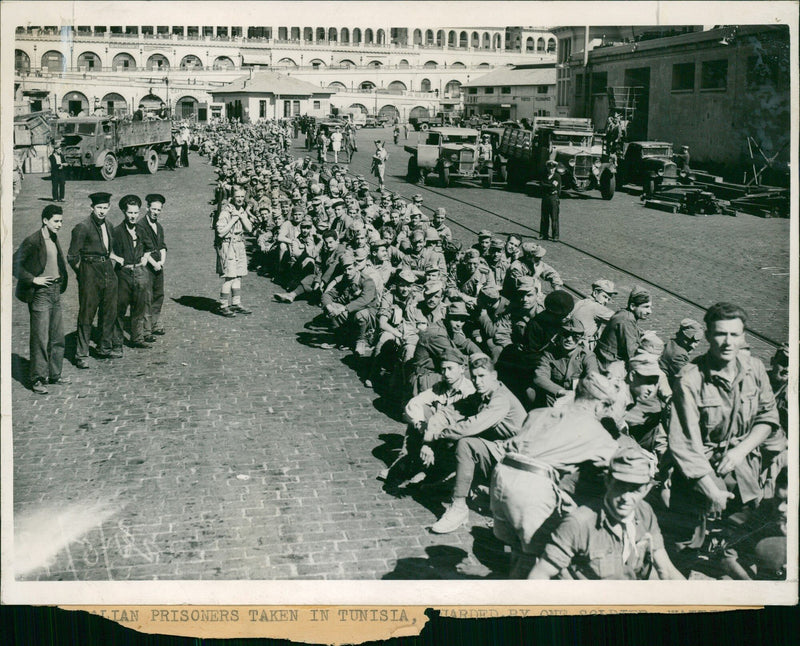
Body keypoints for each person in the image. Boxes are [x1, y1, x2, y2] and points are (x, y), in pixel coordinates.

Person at [668, 303, 782, 573]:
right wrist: (711, 490)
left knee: (740, 539)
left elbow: (768, 419)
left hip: (743, 470)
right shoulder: (690, 379)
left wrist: (740, 451)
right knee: (686, 545)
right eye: (720, 334)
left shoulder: (754, 369)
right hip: (697, 475)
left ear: (743, 336)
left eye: (734, 335)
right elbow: (684, 444)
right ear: (708, 336)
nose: (727, 342)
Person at [528, 444, 685, 580]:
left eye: (635, 489)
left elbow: (666, 570)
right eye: (620, 486)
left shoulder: (645, 513)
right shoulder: (579, 523)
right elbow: (539, 575)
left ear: (646, 489)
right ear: (608, 481)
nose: (626, 497)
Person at [426, 353, 527, 534]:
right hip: (500, 452)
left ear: (494, 376)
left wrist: (438, 436)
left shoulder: (500, 398)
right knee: (455, 439)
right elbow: (451, 411)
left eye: (482, 376)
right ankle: (460, 484)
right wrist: (431, 430)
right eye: (474, 377)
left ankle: (459, 507)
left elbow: (472, 425)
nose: (478, 381)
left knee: (465, 443)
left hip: (518, 461)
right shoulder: (482, 395)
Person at [13, 205, 71, 394]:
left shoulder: (53, 237)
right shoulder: (33, 240)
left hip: (54, 291)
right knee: (40, 337)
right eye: (56, 221)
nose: (60, 225)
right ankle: (37, 378)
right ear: (45, 221)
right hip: (40, 294)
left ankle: (55, 374)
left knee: (57, 336)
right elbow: (14, 263)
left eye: (61, 221)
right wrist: (33, 279)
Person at [67, 192, 121, 368]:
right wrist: (83, 274)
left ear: (109, 208)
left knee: (109, 310)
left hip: (107, 270)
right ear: (92, 208)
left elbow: (110, 250)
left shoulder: (109, 226)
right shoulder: (82, 227)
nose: (102, 212)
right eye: (99, 208)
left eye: (105, 208)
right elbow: (72, 256)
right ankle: (81, 353)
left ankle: (104, 347)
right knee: (87, 313)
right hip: (90, 272)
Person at [112, 195, 154, 352]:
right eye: (130, 213)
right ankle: (116, 342)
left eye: (136, 213)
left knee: (139, 307)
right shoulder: (116, 232)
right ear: (124, 212)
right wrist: (117, 258)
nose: (133, 216)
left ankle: (137, 338)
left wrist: (145, 258)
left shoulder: (142, 230)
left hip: (140, 273)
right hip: (123, 274)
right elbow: (107, 250)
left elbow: (149, 247)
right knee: (119, 309)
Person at [215, 184, 254, 317]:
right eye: (237, 196)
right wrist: (234, 219)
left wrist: (241, 216)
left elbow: (249, 228)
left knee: (238, 276)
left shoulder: (241, 209)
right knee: (229, 277)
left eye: (242, 197)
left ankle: (236, 303)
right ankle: (223, 305)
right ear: (232, 197)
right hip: (228, 245)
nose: (240, 199)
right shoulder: (226, 211)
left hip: (239, 244)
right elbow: (220, 232)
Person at [595, 286, 652, 369]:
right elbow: (632, 354)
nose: (650, 311)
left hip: (606, 359)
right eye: (646, 307)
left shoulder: (624, 313)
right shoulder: (627, 320)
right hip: (609, 365)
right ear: (632, 306)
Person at [138, 194, 168, 337]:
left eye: (159, 210)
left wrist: (161, 262)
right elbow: (142, 249)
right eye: (153, 209)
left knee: (158, 295)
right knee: (146, 297)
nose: (156, 212)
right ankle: (146, 329)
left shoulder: (159, 227)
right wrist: (154, 263)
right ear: (147, 208)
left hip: (158, 267)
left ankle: (155, 323)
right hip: (147, 267)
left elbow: (162, 246)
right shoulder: (141, 226)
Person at [570, 279, 617, 349]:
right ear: (595, 293)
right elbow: (619, 319)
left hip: (571, 340)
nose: (606, 301)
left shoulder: (581, 302)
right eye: (605, 297)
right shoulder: (596, 307)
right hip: (581, 346)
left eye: (608, 299)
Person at [659, 318, 703, 384]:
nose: (694, 345)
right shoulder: (678, 355)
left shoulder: (672, 343)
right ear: (682, 337)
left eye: (697, 341)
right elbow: (688, 378)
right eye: (689, 341)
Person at [540, 160, 562, 241]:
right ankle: (543, 234)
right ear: (547, 168)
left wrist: (547, 186)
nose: (551, 169)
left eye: (553, 168)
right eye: (549, 168)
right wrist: (550, 186)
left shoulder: (557, 176)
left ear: (555, 168)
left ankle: (555, 236)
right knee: (544, 217)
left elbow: (554, 187)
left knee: (554, 217)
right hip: (545, 198)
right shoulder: (544, 175)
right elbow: (541, 185)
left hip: (553, 198)